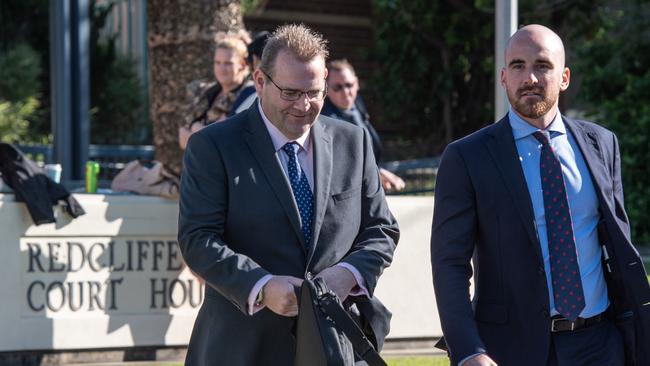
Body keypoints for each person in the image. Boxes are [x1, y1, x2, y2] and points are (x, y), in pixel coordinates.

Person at [178, 24, 399, 365]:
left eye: (314, 92)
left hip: (334, 344)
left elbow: (380, 230)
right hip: (242, 347)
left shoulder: (353, 142)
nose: (304, 105)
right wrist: (261, 286)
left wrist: (350, 274)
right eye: (291, 93)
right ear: (260, 81)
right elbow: (198, 239)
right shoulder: (213, 146)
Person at [430, 24, 650, 366]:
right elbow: (450, 265)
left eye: (542, 65)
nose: (529, 77)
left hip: (600, 344)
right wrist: (468, 350)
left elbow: (617, 243)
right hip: (510, 350)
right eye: (518, 66)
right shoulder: (466, 157)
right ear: (503, 77)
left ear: (564, 78)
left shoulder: (602, 144)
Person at [321, 59, 406, 192]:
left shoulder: (358, 106)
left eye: (349, 85)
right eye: (338, 87)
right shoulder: (324, 120)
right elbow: (338, 161)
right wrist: (375, 173)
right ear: (326, 88)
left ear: (357, 83)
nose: (345, 92)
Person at [178, 35, 255, 150]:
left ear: (242, 65)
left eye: (228, 63)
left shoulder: (250, 95)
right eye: (217, 62)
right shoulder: (206, 91)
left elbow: (227, 142)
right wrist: (203, 133)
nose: (221, 68)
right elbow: (183, 138)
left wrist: (196, 129)